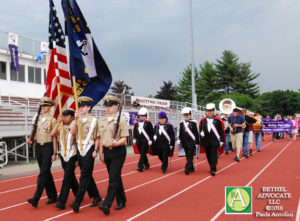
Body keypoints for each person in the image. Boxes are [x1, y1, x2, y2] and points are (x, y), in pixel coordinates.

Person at [69, 96, 102, 213]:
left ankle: (77, 202)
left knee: (84, 176)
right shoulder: (77, 120)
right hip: (79, 148)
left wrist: (96, 150)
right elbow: (72, 132)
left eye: (83, 106)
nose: (81, 109)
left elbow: (98, 137)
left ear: (88, 107)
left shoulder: (94, 121)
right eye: (80, 106)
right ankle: (96, 196)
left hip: (89, 148)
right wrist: (74, 119)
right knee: (87, 175)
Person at [98, 96, 129, 215]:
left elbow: (124, 139)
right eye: (106, 106)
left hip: (118, 152)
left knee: (112, 179)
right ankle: (122, 200)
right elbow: (101, 139)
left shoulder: (121, 120)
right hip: (107, 152)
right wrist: (101, 153)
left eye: (110, 106)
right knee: (115, 177)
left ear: (116, 106)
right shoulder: (102, 121)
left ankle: (107, 204)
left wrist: (116, 143)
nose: (108, 108)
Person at [26, 97, 58, 207]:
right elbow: (36, 136)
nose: (43, 107)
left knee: (43, 173)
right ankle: (53, 196)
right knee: (46, 173)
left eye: (45, 106)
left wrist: (54, 153)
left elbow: (54, 138)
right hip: (38, 147)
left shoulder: (53, 120)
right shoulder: (37, 120)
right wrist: (30, 140)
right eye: (42, 106)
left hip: (48, 147)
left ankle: (36, 198)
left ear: (50, 107)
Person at [51, 108, 78, 210]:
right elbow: (52, 134)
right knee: (70, 177)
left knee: (66, 178)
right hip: (63, 155)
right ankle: (78, 192)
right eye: (64, 115)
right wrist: (58, 122)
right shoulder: (61, 126)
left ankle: (62, 202)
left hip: (72, 154)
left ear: (72, 117)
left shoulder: (75, 126)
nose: (65, 117)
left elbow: (74, 134)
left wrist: (78, 159)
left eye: (67, 116)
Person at [199, 103, 225, 176]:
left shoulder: (218, 120)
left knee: (213, 154)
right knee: (208, 155)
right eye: (208, 111)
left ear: (214, 111)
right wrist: (201, 133)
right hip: (206, 140)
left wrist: (222, 140)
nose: (209, 112)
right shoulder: (203, 120)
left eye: (211, 111)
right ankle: (211, 166)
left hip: (214, 141)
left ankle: (213, 168)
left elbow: (221, 131)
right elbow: (200, 129)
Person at [178, 107, 199, 175]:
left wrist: (197, 142)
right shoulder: (181, 123)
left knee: (190, 155)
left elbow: (196, 133)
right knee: (187, 155)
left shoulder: (193, 123)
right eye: (185, 115)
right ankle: (191, 167)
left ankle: (186, 168)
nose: (186, 116)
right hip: (184, 143)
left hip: (191, 142)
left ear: (190, 115)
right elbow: (180, 133)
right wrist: (179, 140)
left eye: (187, 115)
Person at [133, 107, 154, 172]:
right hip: (139, 141)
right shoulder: (136, 124)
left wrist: (151, 140)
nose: (141, 117)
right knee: (143, 154)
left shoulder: (148, 123)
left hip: (145, 141)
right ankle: (147, 164)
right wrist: (134, 139)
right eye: (140, 116)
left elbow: (151, 132)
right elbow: (135, 132)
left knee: (142, 154)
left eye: (143, 116)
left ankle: (140, 167)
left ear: (146, 116)